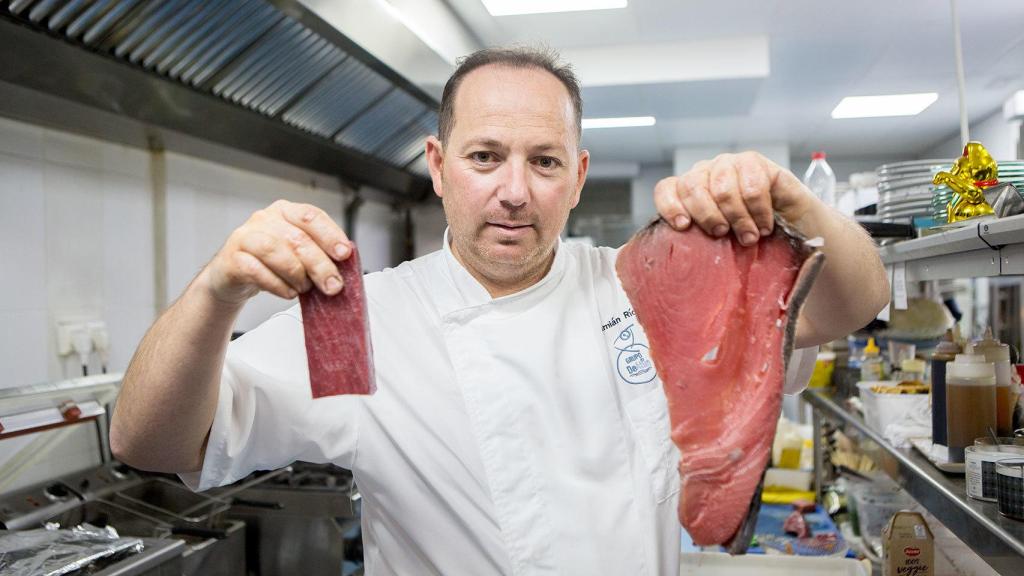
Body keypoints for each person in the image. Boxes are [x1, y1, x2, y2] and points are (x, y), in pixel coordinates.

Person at [110, 47, 888, 575]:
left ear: (577, 177)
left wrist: (794, 201)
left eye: (543, 161)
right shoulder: (362, 322)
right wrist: (217, 292)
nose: (515, 191)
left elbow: (857, 304)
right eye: (485, 157)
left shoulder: (636, 290)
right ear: (440, 168)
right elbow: (150, 441)